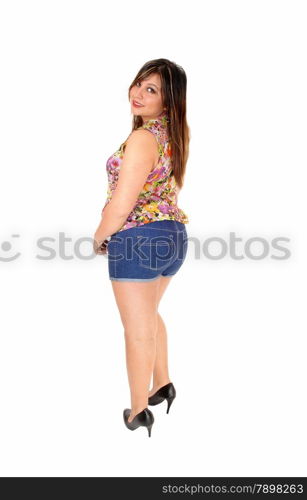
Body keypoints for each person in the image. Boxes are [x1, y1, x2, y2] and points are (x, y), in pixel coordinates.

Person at [93, 58, 190, 437]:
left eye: (151, 90)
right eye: (139, 84)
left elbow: (123, 202)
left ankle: (136, 412)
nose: (138, 93)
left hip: (138, 239)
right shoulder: (174, 134)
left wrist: (101, 236)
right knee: (149, 315)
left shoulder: (141, 138)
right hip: (173, 237)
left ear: (167, 103)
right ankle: (162, 382)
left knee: (136, 331)